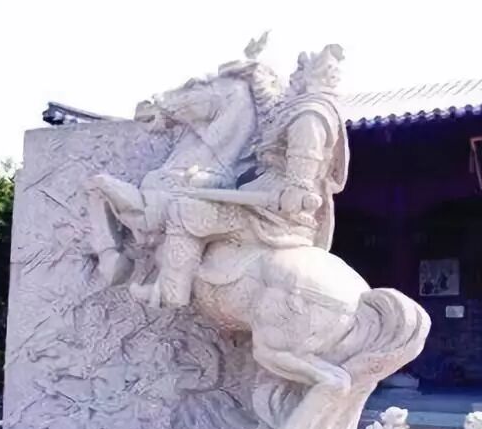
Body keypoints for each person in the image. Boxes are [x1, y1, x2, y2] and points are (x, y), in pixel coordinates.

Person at [131, 44, 349, 309]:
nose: (292, 78)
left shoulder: (310, 116)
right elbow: (269, 109)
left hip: (273, 213)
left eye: (298, 73)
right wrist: (255, 73)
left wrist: (292, 190)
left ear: (309, 78)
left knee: (185, 210)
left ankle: (171, 292)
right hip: (264, 198)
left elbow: (299, 183)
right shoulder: (300, 111)